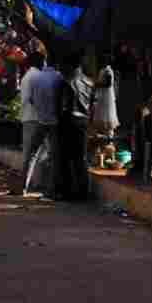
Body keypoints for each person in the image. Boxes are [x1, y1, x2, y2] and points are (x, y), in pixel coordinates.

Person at [16, 51, 64, 197]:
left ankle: (26, 186)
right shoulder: (44, 76)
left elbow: (31, 99)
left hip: (35, 118)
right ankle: (47, 187)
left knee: (31, 155)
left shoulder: (31, 76)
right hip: (40, 119)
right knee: (48, 154)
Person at [59, 53, 93, 200]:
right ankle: (83, 192)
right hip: (84, 121)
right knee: (81, 158)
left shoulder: (68, 82)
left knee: (66, 157)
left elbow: (64, 106)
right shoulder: (89, 82)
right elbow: (92, 104)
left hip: (69, 121)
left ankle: (67, 192)